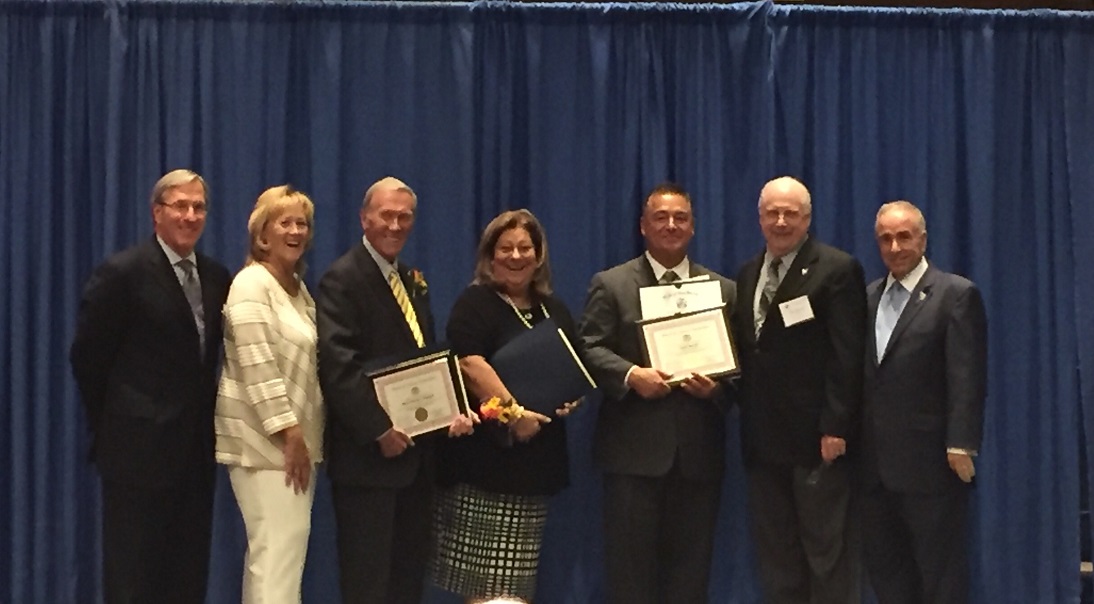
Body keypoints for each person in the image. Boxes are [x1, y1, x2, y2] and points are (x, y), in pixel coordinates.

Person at [69, 169, 231, 604]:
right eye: (181, 205)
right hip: (135, 455)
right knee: (132, 580)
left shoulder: (217, 278)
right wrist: (122, 420)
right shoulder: (122, 273)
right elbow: (88, 358)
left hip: (194, 455)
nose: (191, 215)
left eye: (199, 207)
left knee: (187, 577)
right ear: (157, 212)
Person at [317, 176, 474, 604]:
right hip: (368, 462)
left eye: (405, 217)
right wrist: (379, 430)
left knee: (406, 583)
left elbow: (424, 362)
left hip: (417, 461)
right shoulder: (342, 279)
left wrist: (450, 413)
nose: (396, 225)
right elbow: (338, 367)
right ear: (364, 219)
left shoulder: (411, 279)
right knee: (367, 586)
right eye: (387, 215)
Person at [579, 182, 737, 604]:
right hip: (633, 457)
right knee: (630, 576)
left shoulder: (722, 290)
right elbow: (588, 349)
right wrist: (632, 375)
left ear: (693, 227)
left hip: (699, 457)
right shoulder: (612, 284)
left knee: (691, 576)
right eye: (661, 217)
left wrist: (716, 389)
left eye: (680, 218)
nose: (671, 225)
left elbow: (741, 371)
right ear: (643, 226)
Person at [430, 209, 582, 603]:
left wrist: (570, 398)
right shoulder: (475, 303)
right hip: (485, 467)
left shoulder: (553, 308)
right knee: (486, 589)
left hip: (534, 469)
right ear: (490, 255)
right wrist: (514, 415)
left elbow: (575, 366)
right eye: (506, 248)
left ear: (539, 254)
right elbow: (469, 364)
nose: (516, 257)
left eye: (525, 248)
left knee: (516, 589)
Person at [730, 176, 867, 604]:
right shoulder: (748, 273)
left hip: (816, 442)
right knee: (777, 557)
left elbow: (848, 357)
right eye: (773, 212)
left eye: (791, 213)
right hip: (762, 443)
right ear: (759, 218)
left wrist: (836, 427)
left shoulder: (837, 269)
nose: (781, 221)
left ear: (807, 219)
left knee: (826, 554)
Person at [861, 201, 986, 604]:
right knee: (888, 577)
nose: (895, 247)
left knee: (940, 579)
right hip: (875, 468)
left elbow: (966, 376)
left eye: (904, 236)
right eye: (885, 239)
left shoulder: (955, 294)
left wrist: (961, 444)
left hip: (932, 466)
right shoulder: (867, 297)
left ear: (923, 239)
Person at [215, 185, 323, 603]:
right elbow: (256, 363)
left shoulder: (297, 290)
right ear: (262, 235)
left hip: (295, 447)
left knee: (281, 557)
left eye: (302, 223)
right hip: (266, 447)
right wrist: (290, 434)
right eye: (285, 222)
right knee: (276, 557)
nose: (296, 230)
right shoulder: (250, 284)